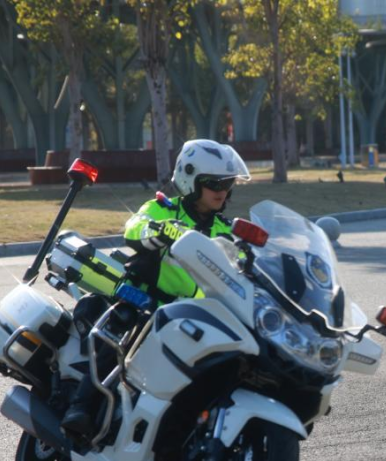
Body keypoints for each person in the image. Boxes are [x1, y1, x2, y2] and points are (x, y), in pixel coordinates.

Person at [60, 139, 252, 438]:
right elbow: (134, 228)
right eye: (213, 183)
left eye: (227, 183)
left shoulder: (225, 230)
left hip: (190, 314)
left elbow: (243, 266)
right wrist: (160, 231)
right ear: (190, 180)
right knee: (124, 324)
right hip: (144, 299)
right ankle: (80, 406)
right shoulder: (162, 209)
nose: (222, 190)